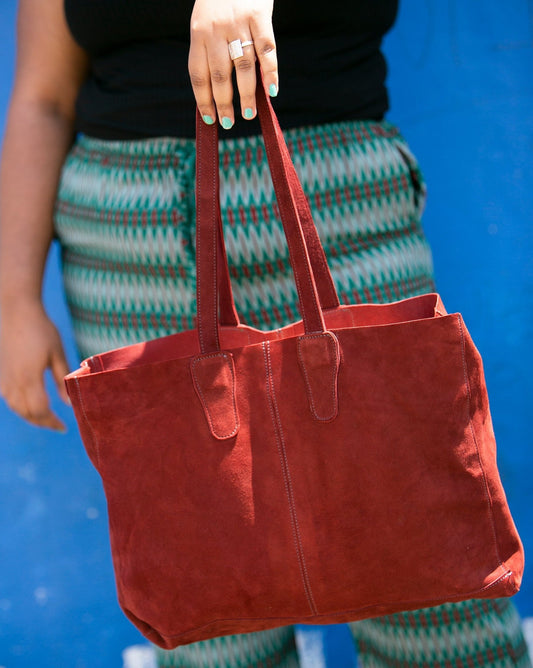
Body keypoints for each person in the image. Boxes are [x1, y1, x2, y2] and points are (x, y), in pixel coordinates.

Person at [0, 1, 530, 667]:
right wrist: (14, 297)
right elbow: (42, 96)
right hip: (128, 240)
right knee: (211, 617)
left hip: (337, 202)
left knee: (433, 588)